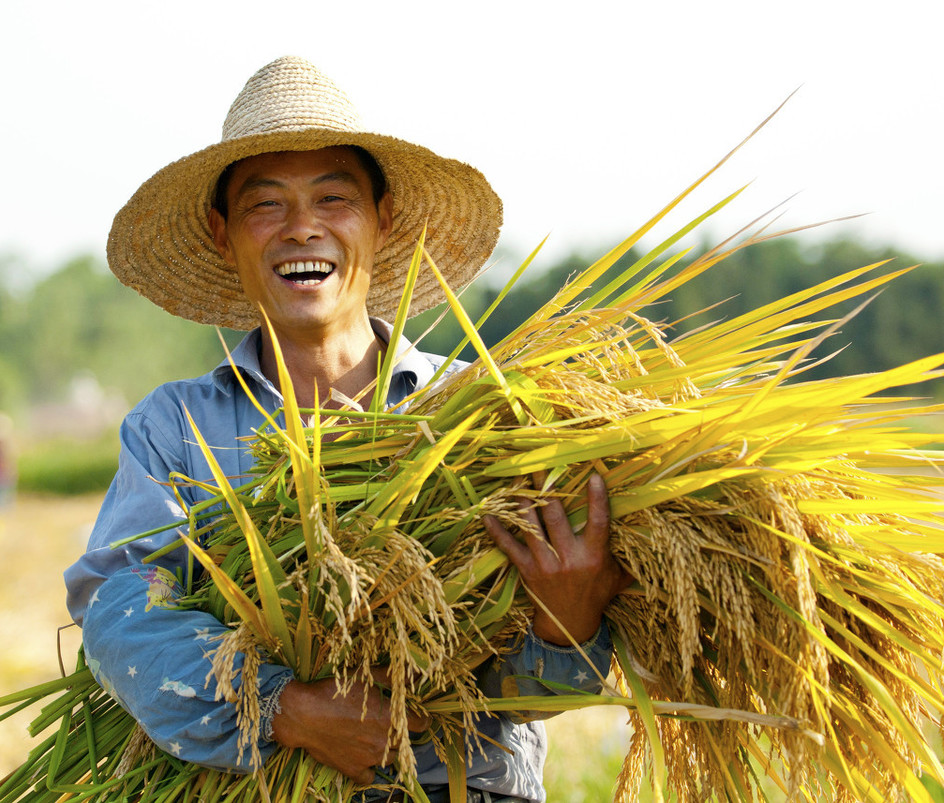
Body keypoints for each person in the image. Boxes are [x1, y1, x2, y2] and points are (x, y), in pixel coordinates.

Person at [64, 56, 630, 802]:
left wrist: (569, 622)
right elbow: (120, 611)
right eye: (267, 204)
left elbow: (536, 693)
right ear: (222, 230)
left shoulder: (486, 413)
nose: (303, 227)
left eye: (334, 196)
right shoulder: (176, 430)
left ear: (383, 218)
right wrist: (286, 710)